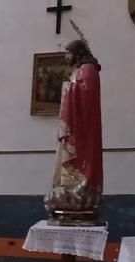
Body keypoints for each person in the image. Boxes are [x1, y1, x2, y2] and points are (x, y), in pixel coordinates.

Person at [45, 39, 103, 222]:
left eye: (68, 53)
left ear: (77, 53)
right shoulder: (79, 70)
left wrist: (67, 88)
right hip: (75, 127)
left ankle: (80, 191)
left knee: (80, 158)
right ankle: (69, 190)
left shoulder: (88, 70)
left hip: (82, 128)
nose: (66, 56)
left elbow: (87, 96)